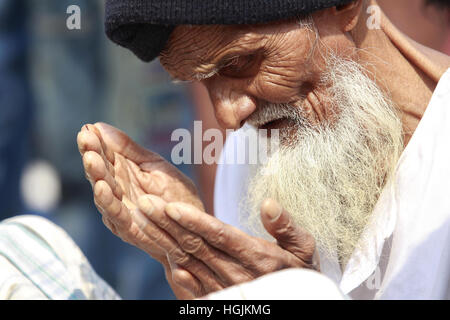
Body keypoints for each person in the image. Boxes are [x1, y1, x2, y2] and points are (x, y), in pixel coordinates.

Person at [76, 0, 450, 300]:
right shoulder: (252, 158)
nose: (228, 117)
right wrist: (209, 286)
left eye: (241, 62)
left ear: (345, 8)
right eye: (199, 81)